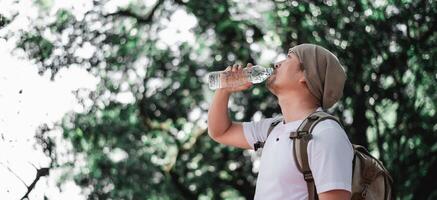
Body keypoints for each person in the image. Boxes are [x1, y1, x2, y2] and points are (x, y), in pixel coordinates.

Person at [207, 43, 353, 200]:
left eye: (289, 58)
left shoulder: (326, 132)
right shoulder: (272, 128)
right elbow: (220, 132)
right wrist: (224, 89)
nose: (277, 63)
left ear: (306, 75)